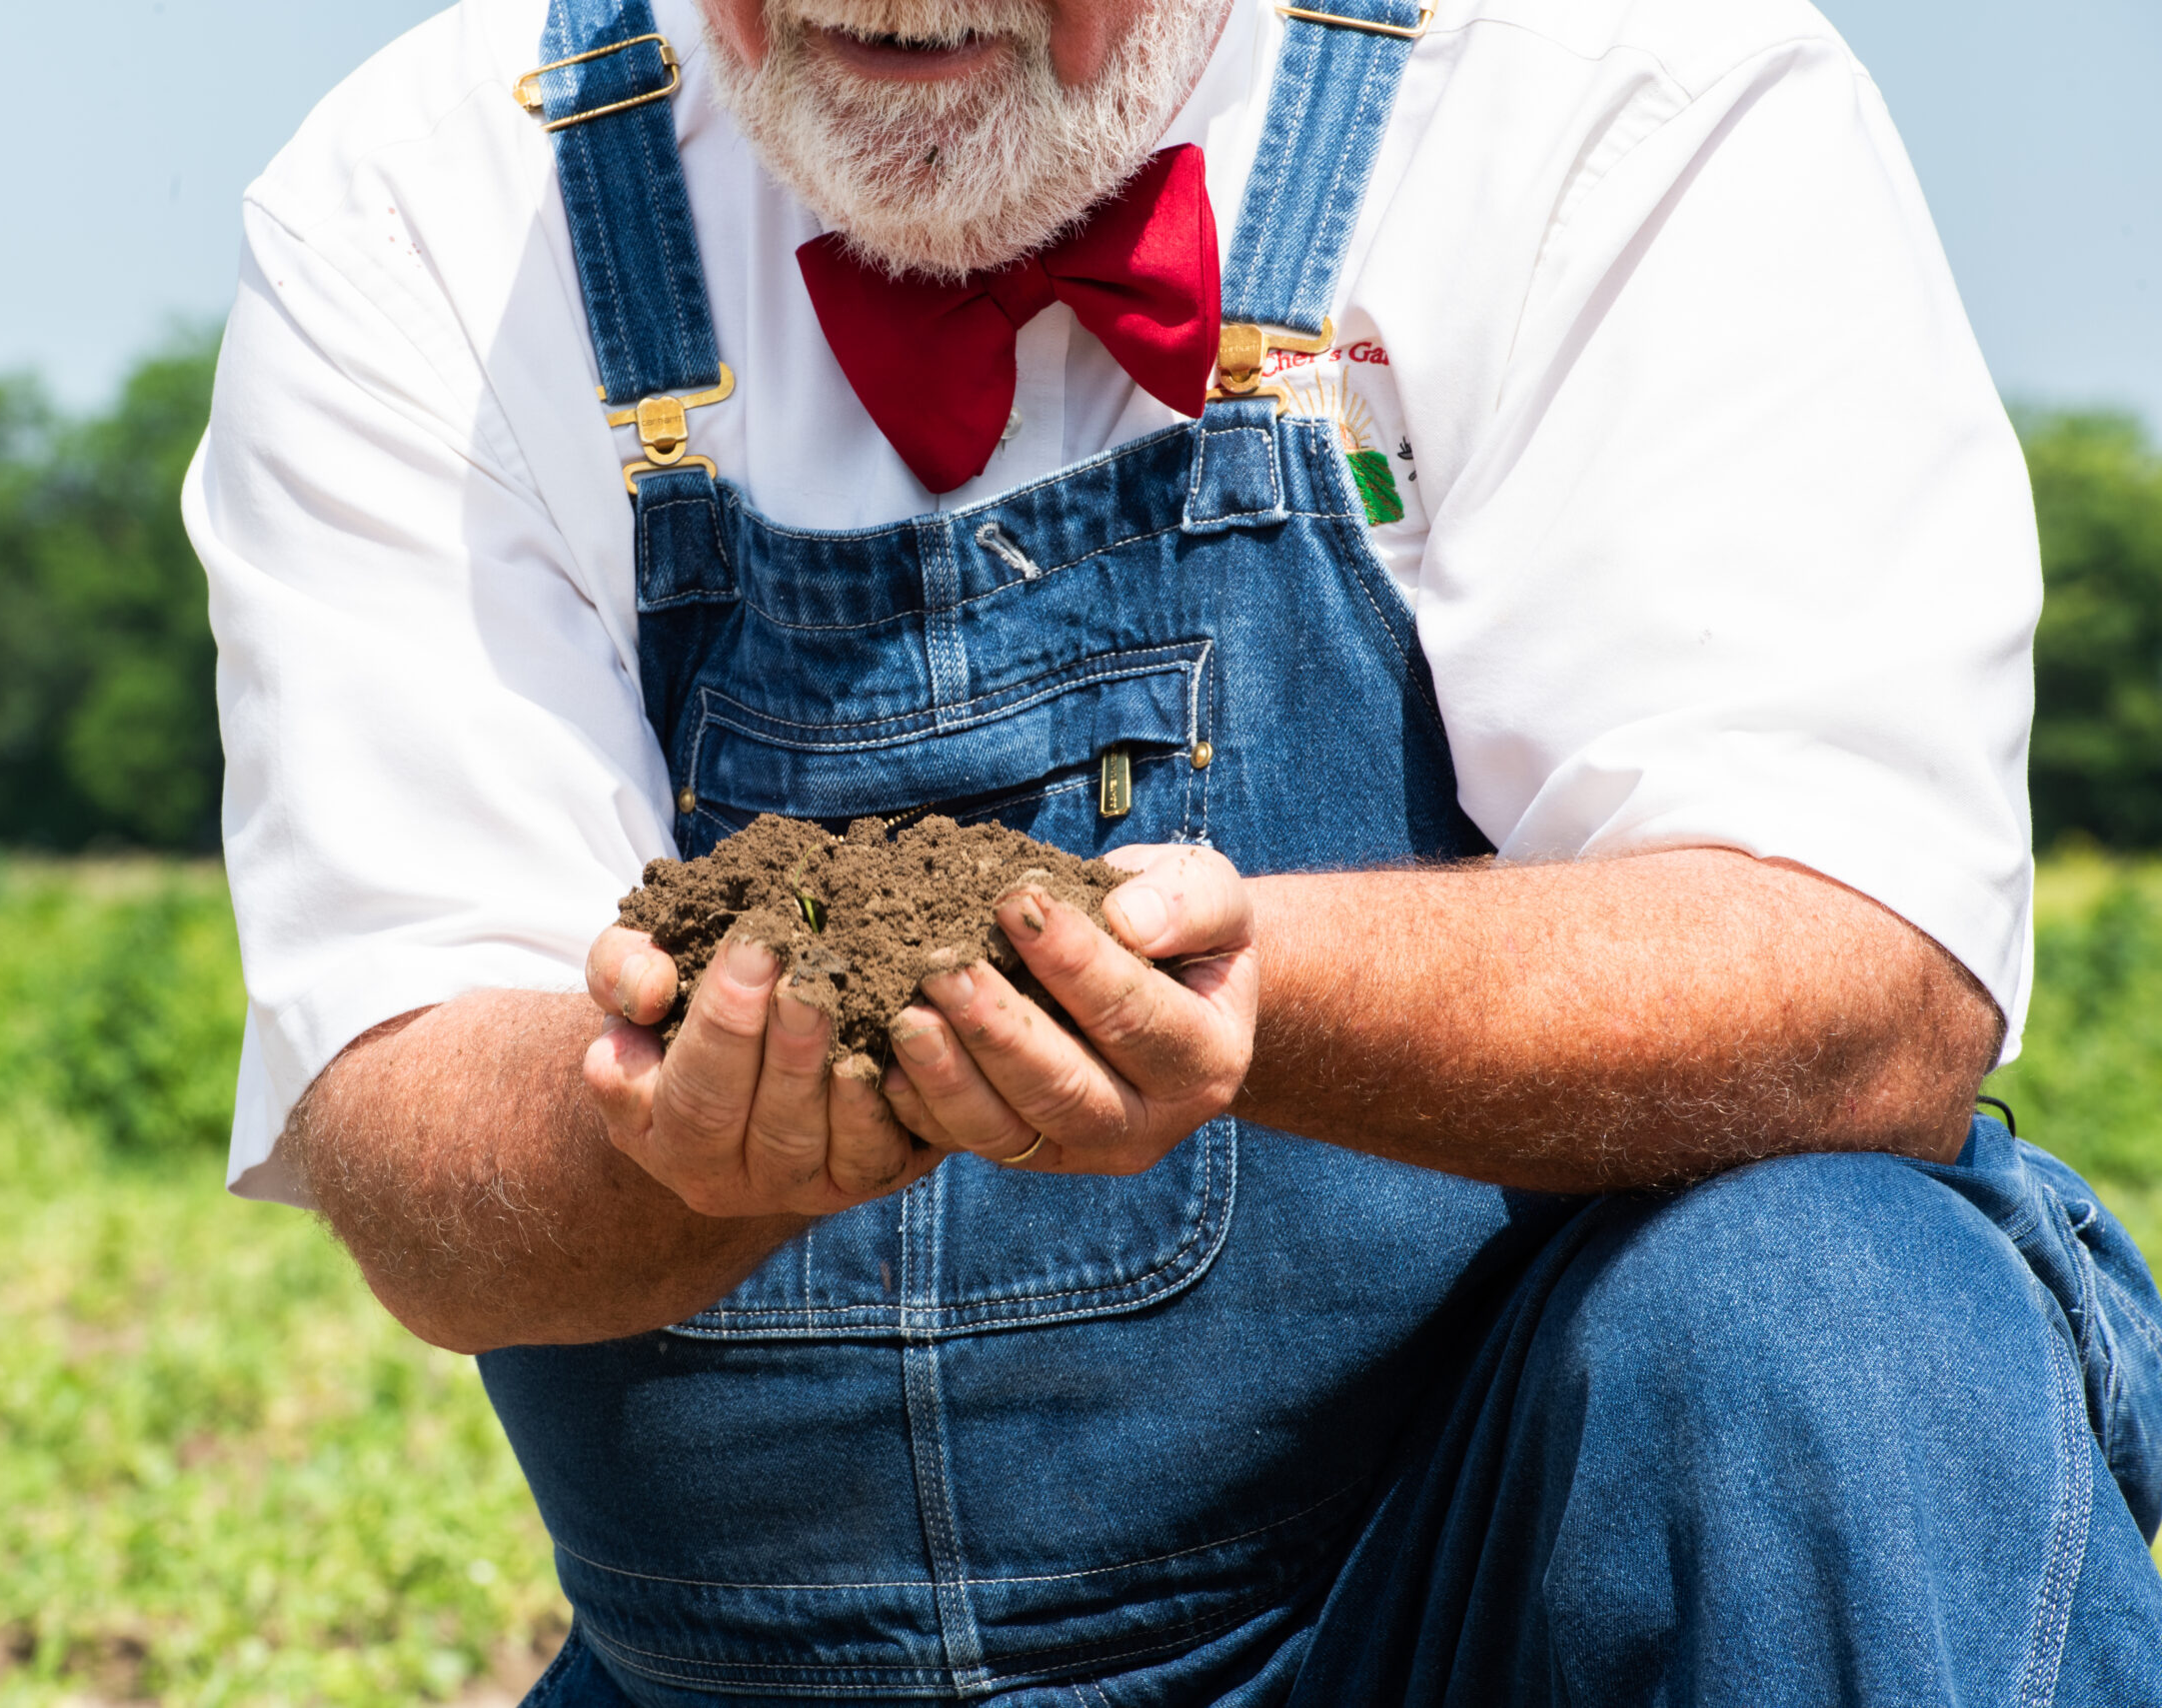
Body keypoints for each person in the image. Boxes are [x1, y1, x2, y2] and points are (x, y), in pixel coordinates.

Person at [184, 0, 2162, 1697]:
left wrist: (1241, 988)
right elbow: (408, 1115)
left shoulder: (1603, 99)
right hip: (743, 1676)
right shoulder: (429, 207)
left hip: (1467, 1628)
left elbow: (1852, 980)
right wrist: (650, 1122)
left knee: (1819, 1314)